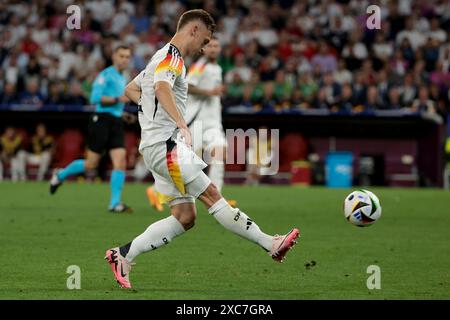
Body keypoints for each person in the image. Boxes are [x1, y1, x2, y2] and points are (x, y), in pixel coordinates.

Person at [104, 9, 300, 289]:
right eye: (205, 39)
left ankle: (123, 255)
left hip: (155, 147)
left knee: (185, 217)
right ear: (193, 30)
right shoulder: (172, 57)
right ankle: (271, 243)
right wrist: (180, 124)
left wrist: (151, 117)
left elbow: (131, 89)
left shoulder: (159, 56)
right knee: (212, 195)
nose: (204, 46)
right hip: (167, 146)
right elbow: (161, 89)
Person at [147, 36, 234, 211]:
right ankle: (156, 190)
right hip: (197, 122)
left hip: (213, 122)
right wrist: (209, 92)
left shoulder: (216, 67)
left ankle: (219, 198)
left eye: (217, 46)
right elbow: (189, 86)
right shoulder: (200, 66)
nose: (214, 49)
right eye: (210, 46)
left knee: (220, 153)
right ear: (204, 49)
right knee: (184, 163)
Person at [49, 45, 134, 213]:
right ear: (114, 57)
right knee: (90, 164)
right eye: (122, 56)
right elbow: (95, 98)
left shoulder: (123, 76)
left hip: (116, 121)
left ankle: (114, 203)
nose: (125, 59)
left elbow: (115, 104)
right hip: (100, 121)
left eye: (127, 56)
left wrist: (122, 114)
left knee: (120, 161)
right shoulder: (105, 75)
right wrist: (119, 99)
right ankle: (60, 175)